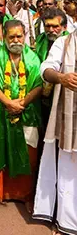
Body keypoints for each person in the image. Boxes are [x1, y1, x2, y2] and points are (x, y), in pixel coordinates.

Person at [0, 20, 42, 210]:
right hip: (1, 110)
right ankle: (1, 193)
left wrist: (22, 104)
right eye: (12, 37)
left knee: (28, 153)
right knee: (1, 149)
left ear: (25, 36)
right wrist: (8, 103)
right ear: (4, 37)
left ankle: (25, 194)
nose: (16, 40)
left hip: (27, 111)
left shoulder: (32, 58)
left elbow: (38, 85)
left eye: (19, 36)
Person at [33, 29, 77, 235]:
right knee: (69, 169)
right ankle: (68, 222)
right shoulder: (65, 42)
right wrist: (61, 77)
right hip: (69, 115)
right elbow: (46, 68)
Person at [35, 8, 68, 133]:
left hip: (62, 91)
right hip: (41, 92)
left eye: (55, 26)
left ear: (64, 27)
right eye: (47, 26)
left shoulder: (69, 42)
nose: (50, 30)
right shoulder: (40, 40)